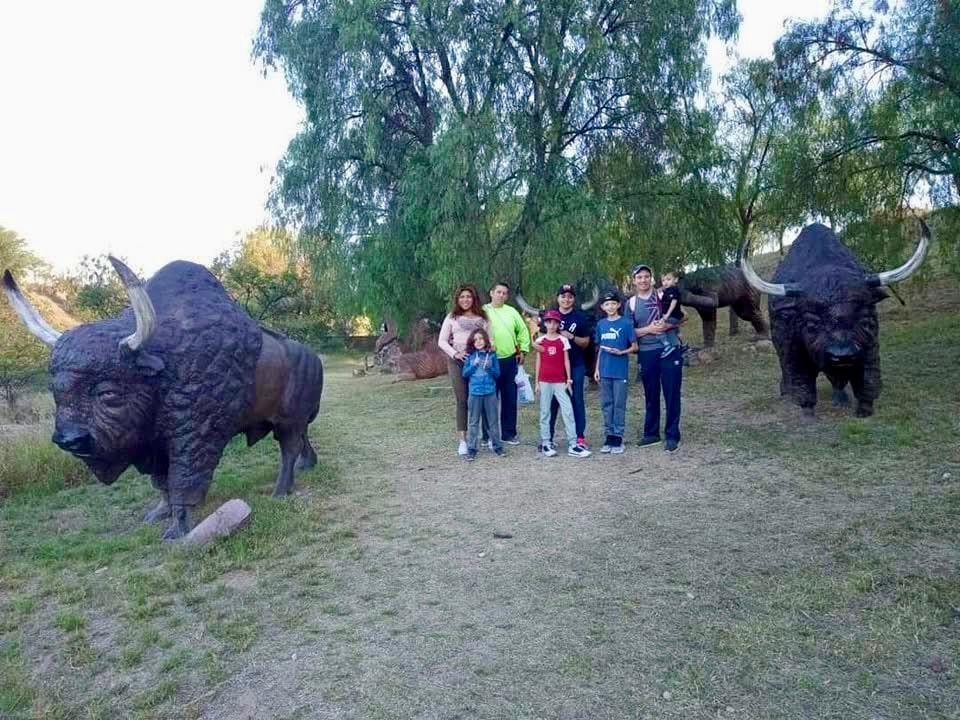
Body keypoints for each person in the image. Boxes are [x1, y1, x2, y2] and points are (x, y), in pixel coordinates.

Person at [627, 264, 683, 453]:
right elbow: (628, 332)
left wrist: (667, 326)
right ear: (634, 281)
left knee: (672, 393)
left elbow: (683, 316)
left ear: (651, 278)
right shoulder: (631, 303)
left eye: (646, 276)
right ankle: (651, 434)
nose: (643, 280)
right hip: (647, 352)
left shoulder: (663, 295)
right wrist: (648, 329)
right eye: (639, 277)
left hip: (670, 349)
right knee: (651, 393)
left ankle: (672, 435)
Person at [534, 283, 593, 449]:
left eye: (570, 296)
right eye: (563, 296)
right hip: (553, 367)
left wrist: (572, 337)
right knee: (551, 402)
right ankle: (548, 438)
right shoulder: (549, 316)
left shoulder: (580, 317)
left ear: (574, 299)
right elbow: (540, 342)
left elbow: (586, 342)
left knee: (576, 400)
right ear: (557, 298)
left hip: (575, 365)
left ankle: (579, 437)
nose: (566, 299)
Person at [438, 285, 493, 455]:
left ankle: (488, 437)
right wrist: (455, 354)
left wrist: (486, 355)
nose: (465, 300)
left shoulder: (483, 318)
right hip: (457, 363)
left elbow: (490, 340)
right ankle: (463, 440)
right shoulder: (452, 317)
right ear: (457, 299)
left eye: (468, 296)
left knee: (482, 397)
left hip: (479, 363)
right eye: (462, 297)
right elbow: (442, 341)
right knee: (462, 400)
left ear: (474, 298)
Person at [482, 281, 531, 445]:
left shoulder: (511, 312)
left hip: (509, 360)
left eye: (504, 293)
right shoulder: (482, 311)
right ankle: (487, 434)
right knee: (488, 398)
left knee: (509, 397)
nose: (501, 295)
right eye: (498, 292)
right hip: (489, 360)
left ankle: (509, 433)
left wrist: (523, 350)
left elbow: (523, 331)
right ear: (491, 293)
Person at [593, 290, 637, 454]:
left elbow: (634, 346)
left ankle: (618, 437)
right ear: (602, 307)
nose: (610, 307)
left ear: (618, 305)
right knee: (606, 405)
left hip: (620, 371)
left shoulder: (626, 323)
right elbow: (600, 348)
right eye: (607, 304)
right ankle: (609, 437)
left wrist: (622, 352)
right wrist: (596, 369)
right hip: (604, 371)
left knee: (619, 405)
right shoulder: (601, 324)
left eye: (613, 303)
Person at [462, 328, 504, 461]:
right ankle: (471, 449)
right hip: (475, 393)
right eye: (475, 340)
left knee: (493, 421)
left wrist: (489, 368)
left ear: (485, 340)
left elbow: (497, 374)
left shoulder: (491, 355)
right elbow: (465, 374)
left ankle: (497, 446)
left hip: (490, 393)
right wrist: (473, 366)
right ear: (472, 343)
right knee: (473, 422)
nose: (478, 342)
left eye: (481, 339)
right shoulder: (470, 356)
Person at [656, 271, 684, 358]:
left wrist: (667, 315)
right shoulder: (667, 290)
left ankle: (667, 345)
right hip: (673, 316)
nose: (665, 282)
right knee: (675, 330)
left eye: (668, 279)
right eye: (663, 280)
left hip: (672, 316)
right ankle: (681, 344)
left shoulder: (674, 290)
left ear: (675, 280)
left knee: (658, 329)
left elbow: (673, 303)